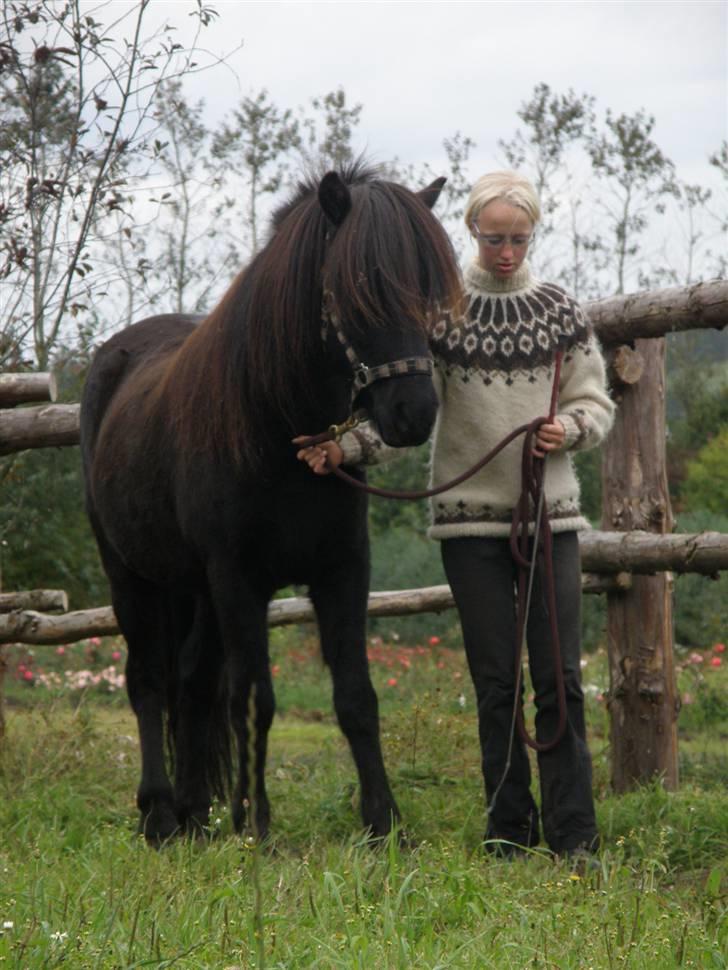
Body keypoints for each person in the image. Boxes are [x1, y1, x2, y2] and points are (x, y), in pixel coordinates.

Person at [295, 170, 614, 860]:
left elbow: (596, 403)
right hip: (470, 526)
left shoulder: (560, 310)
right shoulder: (443, 314)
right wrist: (344, 447)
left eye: (519, 239)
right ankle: (507, 830)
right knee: (496, 680)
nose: (506, 251)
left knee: (560, 679)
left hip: (549, 520)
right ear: (472, 231)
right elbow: (405, 416)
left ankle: (575, 835)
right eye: (495, 238)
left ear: (532, 235)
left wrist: (570, 428)